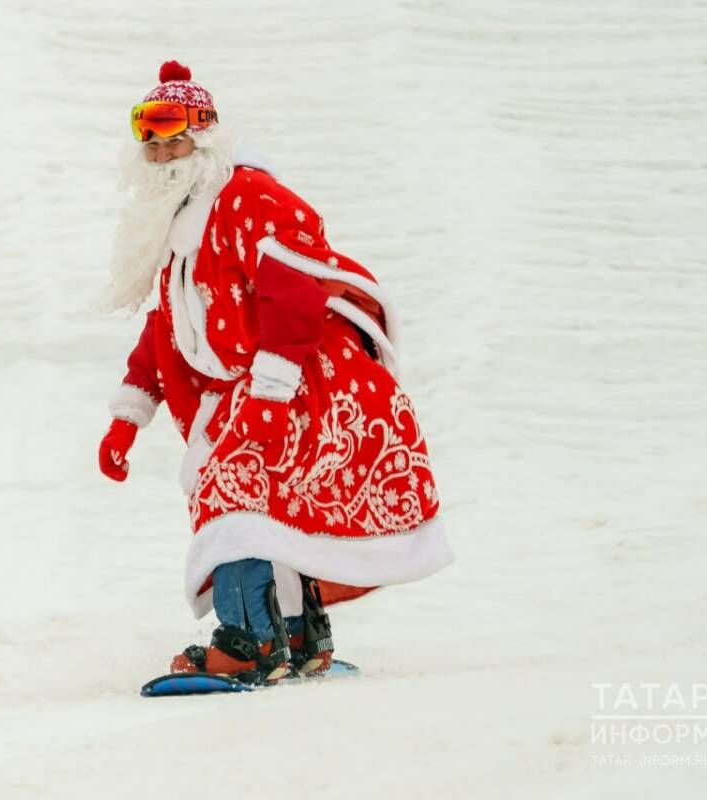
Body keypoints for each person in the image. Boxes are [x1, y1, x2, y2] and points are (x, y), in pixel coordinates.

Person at [99, 61, 453, 684]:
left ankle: (250, 642)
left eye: (172, 138)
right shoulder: (180, 228)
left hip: (304, 376)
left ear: (204, 136)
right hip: (256, 387)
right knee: (269, 508)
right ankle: (298, 638)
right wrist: (130, 417)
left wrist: (270, 394)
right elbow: (168, 328)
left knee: (233, 492)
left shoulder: (247, 198)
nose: (159, 152)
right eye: (149, 141)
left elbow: (293, 291)